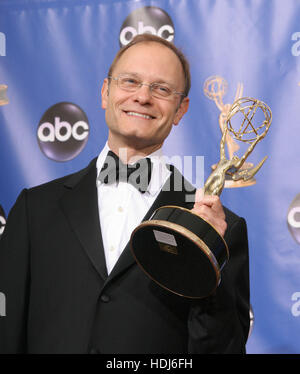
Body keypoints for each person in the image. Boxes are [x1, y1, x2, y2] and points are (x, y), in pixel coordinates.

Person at [0, 34, 250, 354]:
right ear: (106, 92)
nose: (143, 97)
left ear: (180, 110)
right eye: (130, 81)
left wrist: (206, 257)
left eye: (161, 89)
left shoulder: (221, 227)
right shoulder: (35, 208)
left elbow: (223, 349)